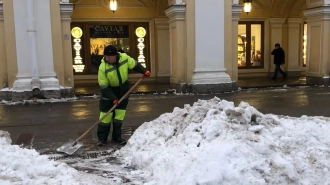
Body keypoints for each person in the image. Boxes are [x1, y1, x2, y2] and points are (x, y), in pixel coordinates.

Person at [97, 45, 150, 146]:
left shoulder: (124, 58)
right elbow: (104, 86)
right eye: (106, 56)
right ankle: (102, 139)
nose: (107, 58)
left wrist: (144, 71)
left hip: (123, 91)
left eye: (109, 57)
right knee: (105, 117)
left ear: (115, 56)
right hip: (108, 93)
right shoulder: (102, 67)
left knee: (119, 117)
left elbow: (134, 65)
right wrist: (113, 98)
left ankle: (117, 137)